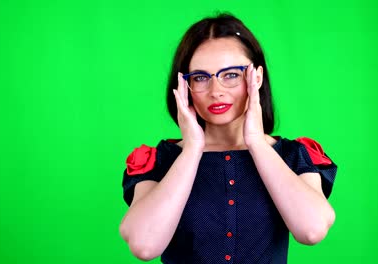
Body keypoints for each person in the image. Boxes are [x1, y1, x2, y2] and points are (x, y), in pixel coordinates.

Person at [119, 13, 337, 264]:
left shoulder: (293, 155)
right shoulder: (160, 160)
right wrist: (192, 149)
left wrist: (255, 140)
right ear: (184, 86)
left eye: (231, 74)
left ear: (256, 77)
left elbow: (311, 230)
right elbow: (144, 246)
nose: (216, 91)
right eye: (200, 77)